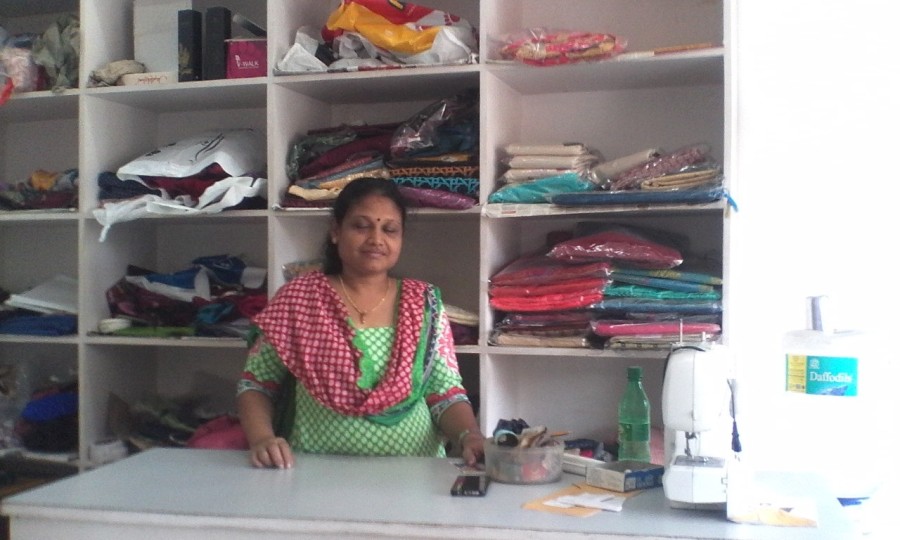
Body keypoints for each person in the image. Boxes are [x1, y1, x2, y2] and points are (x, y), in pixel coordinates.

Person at [237, 177, 485, 469]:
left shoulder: (423, 303)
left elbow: (445, 392)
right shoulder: (299, 299)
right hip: (312, 474)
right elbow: (256, 384)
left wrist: (470, 435)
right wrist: (262, 439)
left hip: (414, 474)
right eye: (361, 226)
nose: (376, 239)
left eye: (389, 230)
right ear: (335, 231)